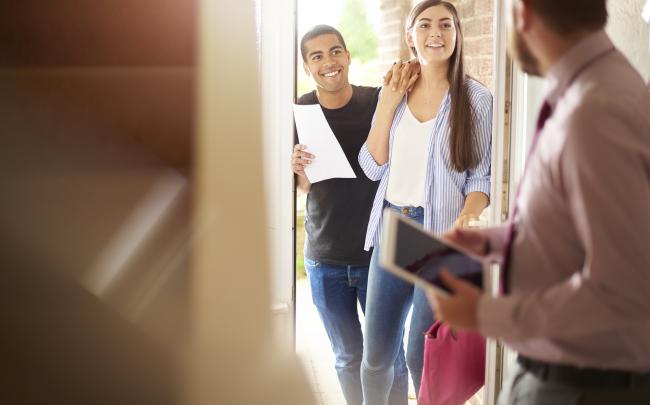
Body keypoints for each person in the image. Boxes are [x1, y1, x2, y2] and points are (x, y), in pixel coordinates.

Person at [428, 0, 650, 403]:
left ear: (523, 12)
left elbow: (621, 289)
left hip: (582, 387)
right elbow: (582, 227)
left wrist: (481, 315)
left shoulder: (595, 112)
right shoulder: (594, 89)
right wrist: (496, 242)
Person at [357, 1, 492, 403]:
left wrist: (470, 213)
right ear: (409, 34)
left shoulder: (476, 99)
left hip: (441, 236)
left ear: (456, 34)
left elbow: (481, 175)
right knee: (376, 356)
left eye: (446, 25)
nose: (436, 33)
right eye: (426, 24)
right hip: (394, 228)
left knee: (422, 354)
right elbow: (372, 166)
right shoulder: (394, 92)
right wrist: (386, 104)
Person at [292, 25, 416, 405]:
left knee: (391, 356)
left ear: (347, 56)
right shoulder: (302, 110)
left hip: (378, 256)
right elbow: (305, 188)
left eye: (335, 52)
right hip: (324, 258)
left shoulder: (378, 102)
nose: (329, 62)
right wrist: (297, 169)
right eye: (317, 56)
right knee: (348, 358)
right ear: (307, 66)